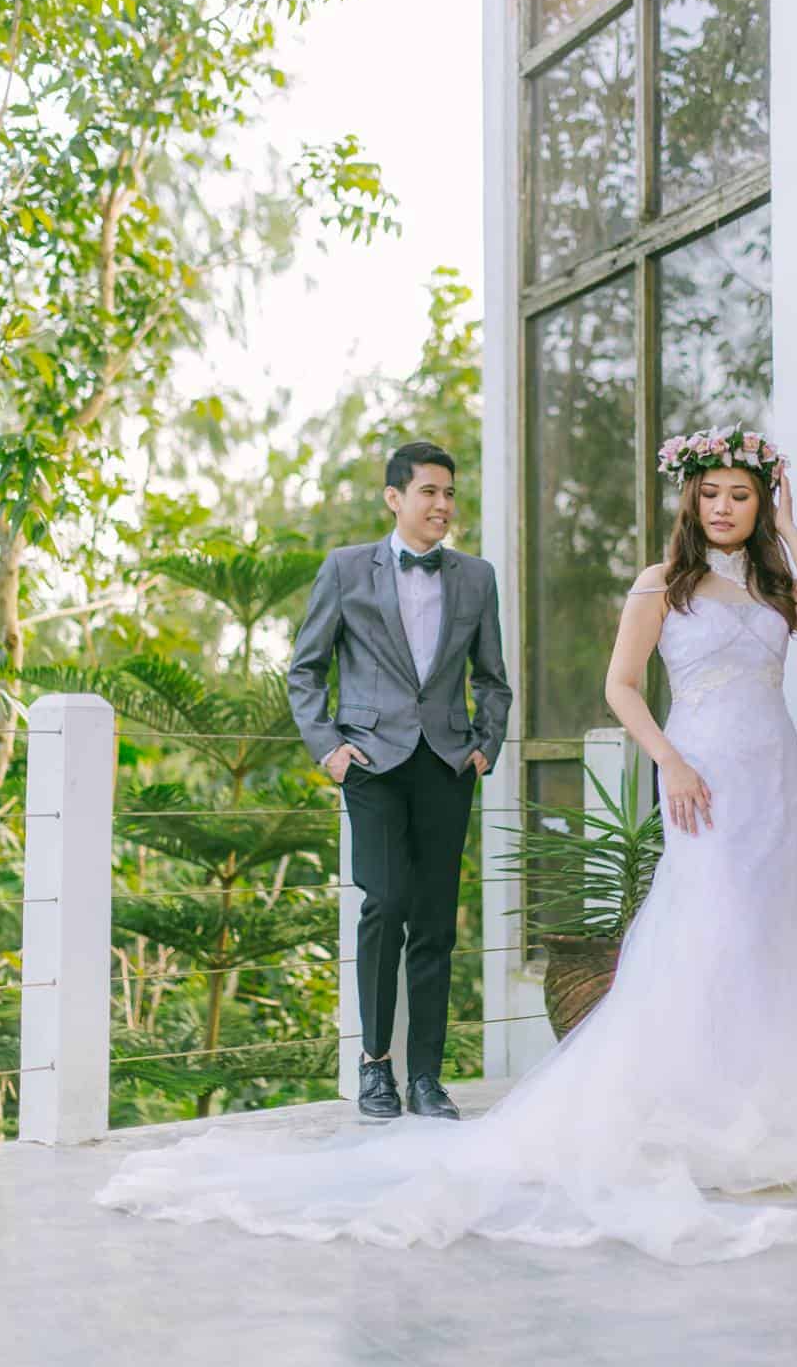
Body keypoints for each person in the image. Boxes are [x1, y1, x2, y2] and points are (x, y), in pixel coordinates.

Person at [94, 425, 797, 1265]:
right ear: (690, 502)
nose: (725, 508)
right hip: (696, 775)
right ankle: (631, 1095)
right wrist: (670, 760)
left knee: (770, 930)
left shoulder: (775, 586)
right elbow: (620, 686)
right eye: (712, 495)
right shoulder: (662, 582)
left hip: (774, 775)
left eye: (741, 496)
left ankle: (757, 1098)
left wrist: (789, 524)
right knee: (703, 926)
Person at [287, 440, 510, 1121]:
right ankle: (375, 1064)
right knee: (385, 904)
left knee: (436, 921)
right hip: (371, 763)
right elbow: (305, 669)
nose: (442, 505)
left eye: (449, 493)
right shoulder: (346, 568)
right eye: (429, 492)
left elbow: (492, 677)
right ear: (395, 498)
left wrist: (485, 745)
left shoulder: (476, 577)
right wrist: (329, 749)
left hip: (446, 763)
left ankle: (427, 1078)